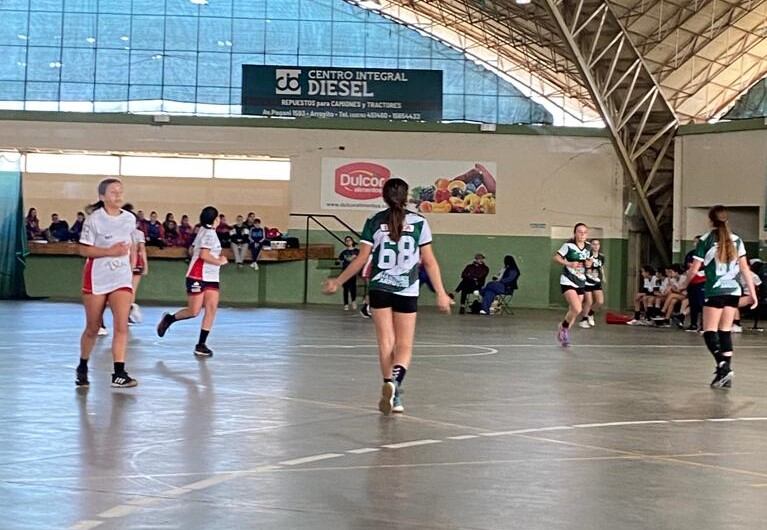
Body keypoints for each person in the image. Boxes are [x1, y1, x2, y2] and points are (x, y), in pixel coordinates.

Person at [322, 178, 452, 415]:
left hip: (379, 288)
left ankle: (389, 388)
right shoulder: (419, 222)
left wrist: (338, 281)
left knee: (385, 342)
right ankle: (396, 385)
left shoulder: (374, 222)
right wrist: (441, 293)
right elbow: (429, 261)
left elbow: (361, 259)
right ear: (406, 197)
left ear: (383, 197)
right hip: (406, 289)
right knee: (404, 344)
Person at [682, 205, 757, 388]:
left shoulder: (706, 240)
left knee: (709, 331)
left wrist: (684, 284)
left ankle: (722, 365)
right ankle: (725, 374)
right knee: (725, 331)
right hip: (733, 290)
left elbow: (694, 270)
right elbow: (745, 269)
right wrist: (753, 294)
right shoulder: (737, 240)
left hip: (715, 290)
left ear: (710, 221)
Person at [76, 178, 138, 388]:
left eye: (120, 192)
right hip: (97, 276)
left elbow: (132, 246)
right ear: (102, 197)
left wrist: (132, 265)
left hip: (121, 276)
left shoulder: (129, 219)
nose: (118, 196)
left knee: (121, 325)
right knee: (93, 327)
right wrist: (109, 252)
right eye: (113, 192)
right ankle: (83, 364)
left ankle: (119, 373)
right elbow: (84, 249)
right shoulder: (94, 220)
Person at [156, 206, 228, 358]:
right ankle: (170, 319)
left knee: (211, 308)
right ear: (215, 219)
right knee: (194, 311)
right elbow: (203, 254)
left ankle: (201, 344)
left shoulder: (204, 231)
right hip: (198, 276)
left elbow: (192, 250)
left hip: (212, 277)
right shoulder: (208, 233)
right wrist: (219, 261)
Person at [554, 223, 592, 346]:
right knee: (577, 308)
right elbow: (556, 258)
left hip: (581, 280)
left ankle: (564, 331)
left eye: (585, 232)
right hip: (568, 279)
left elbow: (590, 262)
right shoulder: (568, 246)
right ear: (575, 233)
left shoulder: (588, 247)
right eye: (580, 232)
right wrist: (568, 263)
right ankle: (564, 328)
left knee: (573, 311)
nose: (582, 234)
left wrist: (588, 264)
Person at [580, 239, 605, 328]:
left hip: (597, 281)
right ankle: (583, 320)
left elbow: (601, 267)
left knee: (600, 301)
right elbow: (586, 268)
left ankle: (590, 314)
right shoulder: (587, 256)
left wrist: (603, 276)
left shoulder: (601, 257)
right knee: (589, 301)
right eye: (594, 244)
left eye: (597, 244)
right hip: (587, 281)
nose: (596, 246)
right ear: (591, 246)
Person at [684, 236, 705, 331]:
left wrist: (696, 267)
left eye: (697, 242)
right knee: (693, 304)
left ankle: (703, 325)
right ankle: (693, 324)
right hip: (692, 281)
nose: (695, 244)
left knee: (703, 304)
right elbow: (687, 266)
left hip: (702, 282)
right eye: (694, 242)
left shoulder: (706, 253)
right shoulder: (690, 254)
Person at [338, 236, 360, 310]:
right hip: (345, 271)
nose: (348, 242)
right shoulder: (344, 252)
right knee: (345, 288)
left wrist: (354, 258)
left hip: (353, 271)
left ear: (352, 241)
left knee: (353, 287)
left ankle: (353, 301)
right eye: (346, 241)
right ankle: (346, 304)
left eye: (349, 240)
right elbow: (339, 260)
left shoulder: (357, 251)